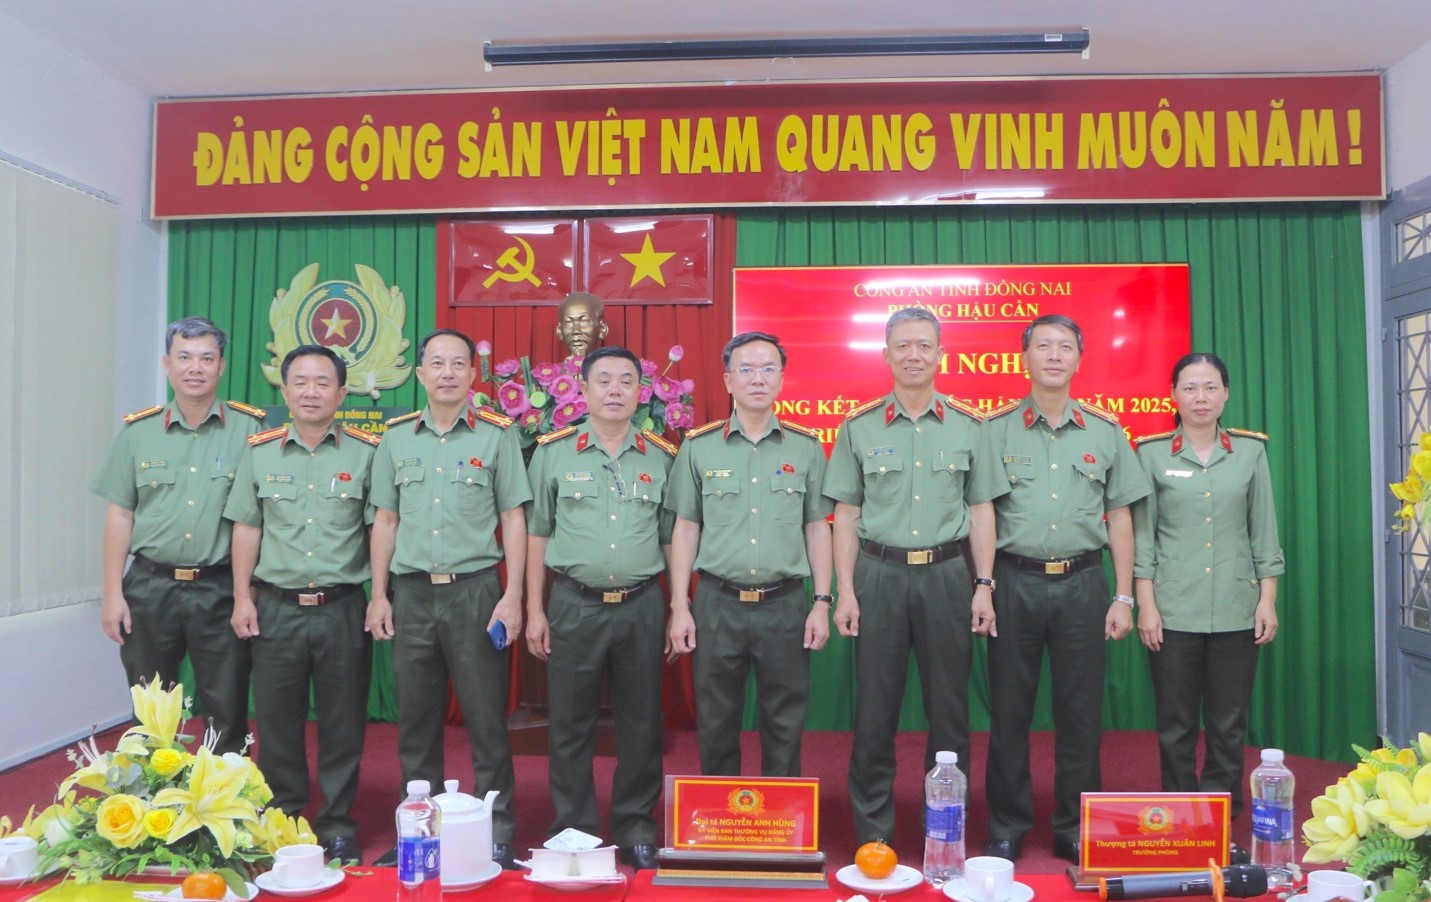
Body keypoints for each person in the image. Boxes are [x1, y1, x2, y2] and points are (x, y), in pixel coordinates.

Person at [822, 307, 1004, 848]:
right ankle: (873, 833)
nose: (914, 355)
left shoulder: (971, 426)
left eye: (924, 345)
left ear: (941, 355)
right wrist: (846, 590)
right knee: (874, 712)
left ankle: (944, 830)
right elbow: (846, 515)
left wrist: (984, 585)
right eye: (902, 345)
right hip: (878, 577)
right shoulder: (858, 427)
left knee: (950, 712)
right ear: (885, 355)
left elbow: (982, 511)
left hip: (948, 577)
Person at [982, 313, 1151, 864]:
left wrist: (1122, 595)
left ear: (1079, 359)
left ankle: (1075, 826)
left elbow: (1120, 517)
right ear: (1024, 358)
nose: (1054, 355)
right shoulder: (994, 430)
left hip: (1083, 583)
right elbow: (981, 514)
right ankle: (1006, 825)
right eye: (1043, 346)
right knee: (1010, 712)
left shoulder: (1105, 432)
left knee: (1081, 714)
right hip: (1013, 583)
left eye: (1065, 347)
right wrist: (983, 586)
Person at [367, 329, 531, 870]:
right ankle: (418, 833)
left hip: (476, 593)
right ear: (420, 374)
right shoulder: (396, 439)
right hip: (412, 594)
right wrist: (379, 594)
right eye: (436, 363)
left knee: (486, 721)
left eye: (458, 363)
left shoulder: (496, 436)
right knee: (416, 724)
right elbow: (385, 520)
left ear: (472, 374)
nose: (447, 373)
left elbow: (513, 518)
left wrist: (512, 595)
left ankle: (497, 833)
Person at [225, 344, 379, 865]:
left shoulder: (367, 452)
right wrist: (241, 596)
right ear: (285, 390)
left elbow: (379, 529)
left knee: (343, 723)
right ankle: (284, 820)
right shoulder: (260, 451)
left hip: (342, 607)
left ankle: (337, 825)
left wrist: (380, 596)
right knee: (277, 724)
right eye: (301, 382)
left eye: (322, 382)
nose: (311, 392)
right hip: (276, 608)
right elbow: (247, 527)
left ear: (341, 392)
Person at [524, 346, 676, 872]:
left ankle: (636, 826)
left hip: (642, 603)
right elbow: (537, 534)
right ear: (583, 390)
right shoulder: (553, 453)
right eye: (604, 379)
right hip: (574, 603)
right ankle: (574, 828)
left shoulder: (661, 456)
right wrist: (535, 609)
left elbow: (672, 538)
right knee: (569, 723)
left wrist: (678, 606)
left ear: (641, 392)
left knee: (642, 722)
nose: (615, 389)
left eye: (626, 380)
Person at [90, 316, 265, 755]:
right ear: (166, 364)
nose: (195, 368)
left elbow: (261, 519)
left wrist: (247, 593)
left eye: (207, 358)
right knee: (150, 711)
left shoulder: (251, 431)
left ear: (222, 366)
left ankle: (228, 794)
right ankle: (151, 795)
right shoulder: (139, 432)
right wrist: (112, 594)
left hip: (220, 587)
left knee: (226, 707)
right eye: (184, 357)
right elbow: (120, 515)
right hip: (150, 587)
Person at [665, 332, 833, 777]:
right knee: (716, 719)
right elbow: (685, 529)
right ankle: (721, 812)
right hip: (718, 603)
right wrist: (680, 605)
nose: (758, 379)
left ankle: (781, 814)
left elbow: (817, 527)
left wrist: (821, 602)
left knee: (785, 720)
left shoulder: (806, 447)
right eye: (746, 369)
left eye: (768, 369)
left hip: (785, 603)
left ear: (781, 378)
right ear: (728, 380)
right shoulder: (699, 446)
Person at [1132, 352, 1284, 819]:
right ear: (1173, 395)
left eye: (1211, 387)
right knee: (1175, 724)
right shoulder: (1151, 453)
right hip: (1172, 608)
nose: (1201, 397)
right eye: (1190, 387)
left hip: (1238, 607)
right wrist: (1146, 605)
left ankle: (1220, 817)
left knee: (1229, 723)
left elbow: (1263, 531)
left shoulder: (1250, 452)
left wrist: (1268, 599)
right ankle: (1180, 814)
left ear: (1226, 394)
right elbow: (1143, 537)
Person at [556, 292, 608, 360]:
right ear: (559, 331)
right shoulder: (547, 367)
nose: (576, 331)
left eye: (584, 322)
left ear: (602, 329)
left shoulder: (614, 367)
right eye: (569, 323)